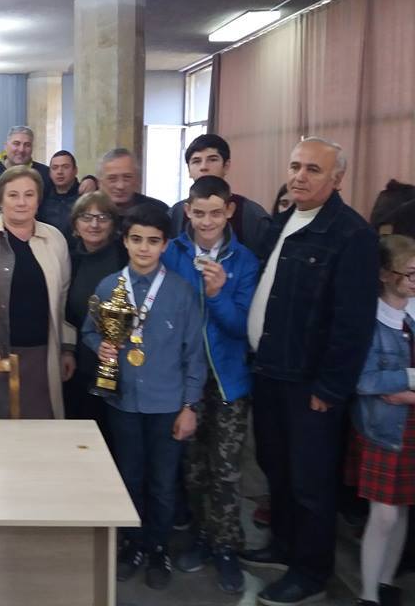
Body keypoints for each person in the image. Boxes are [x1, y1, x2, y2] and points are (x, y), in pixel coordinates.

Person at [243, 137, 379, 605]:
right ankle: (283, 545)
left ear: (337, 179)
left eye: (313, 169)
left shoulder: (351, 235)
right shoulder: (282, 221)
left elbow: (353, 323)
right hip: (269, 370)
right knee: (276, 467)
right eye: (295, 166)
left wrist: (331, 387)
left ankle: (311, 572)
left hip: (310, 384)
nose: (299, 176)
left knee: (311, 482)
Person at [81, 204, 206, 590]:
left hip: (167, 404)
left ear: (165, 245)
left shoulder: (182, 293)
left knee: (163, 483)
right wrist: (100, 346)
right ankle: (132, 544)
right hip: (123, 402)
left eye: (153, 241)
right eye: (136, 239)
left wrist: (190, 406)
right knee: (129, 476)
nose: (144, 248)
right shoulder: (108, 287)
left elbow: (194, 354)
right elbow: (89, 331)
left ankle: (158, 548)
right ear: (125, 241)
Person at [160, 176, 259, 593]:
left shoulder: (244, 260)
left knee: (226, 470)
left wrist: (217, 294)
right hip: (185, 379)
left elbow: (243, 328)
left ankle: (226, 547)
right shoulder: (172, 252)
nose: (206, 222)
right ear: (187, 210)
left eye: (215, 213)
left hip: (228, 380)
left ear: (229, 211)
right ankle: (203, 537)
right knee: (194, 467)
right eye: (198, 213)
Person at [0, 165, 75, 418]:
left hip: (43, 355)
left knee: (41, 425)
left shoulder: (55, 239)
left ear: (38, 200)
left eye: (29, 194)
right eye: (13, 195)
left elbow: (63, 297)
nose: (21, 202)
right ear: (1, 200)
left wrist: (67, 347)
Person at [351, 235, 415, 606]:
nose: (414, 281)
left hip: (408, 424)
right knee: (385, 515)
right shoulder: (372, 321)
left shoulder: (412, 315)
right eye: (409, 274)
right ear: (385, 274)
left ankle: (387, 582)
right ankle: (368, 594)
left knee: (402, 507)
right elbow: (365, 381)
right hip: (385, 427)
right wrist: (408, 379)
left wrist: (405, 391)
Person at [63, 191, 127, 426]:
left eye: (103, 218)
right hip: (80, 362)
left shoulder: (125, 257)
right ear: (75, 225)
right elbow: (65, 312)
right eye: (86, 217)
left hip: (122, 362)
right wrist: (67, 350)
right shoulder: (70, 260)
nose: (94, 225)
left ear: (113, 224)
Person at [167, 135, 271, 251]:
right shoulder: (176, 213)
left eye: (212, 160)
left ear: (226, 166)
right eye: (196, 161)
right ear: (189, 170)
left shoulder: (251, 214)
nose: (203, 167)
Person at [0, 126, 51, 210]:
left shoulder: (45, 175)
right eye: (16, 144)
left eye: (27, 145)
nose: (21, 149)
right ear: (6, 146)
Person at [98, 148, 168, 215]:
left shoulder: (158, 210)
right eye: (112, 179)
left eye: (127, 177)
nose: (120, 186)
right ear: (100, 182)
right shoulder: (92, 213)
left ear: (138, 179)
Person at [39, 150, 81, 235]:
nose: (60, 172)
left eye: (65, 167)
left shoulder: (84, 198)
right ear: (50, 173)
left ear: (75, 170)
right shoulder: (43, 199)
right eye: (55, 168)